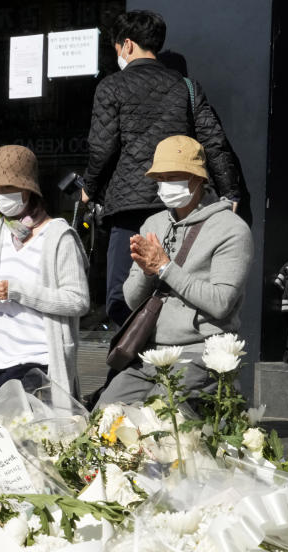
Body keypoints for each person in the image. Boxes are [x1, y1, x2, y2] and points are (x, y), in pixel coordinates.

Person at [80, 10, 242, 328]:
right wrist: (230, 191)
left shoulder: (111, 87)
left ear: (126, 45)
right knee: (172, 288)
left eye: (116, 49)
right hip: (177, 207)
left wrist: (89, 186)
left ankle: (135, 362)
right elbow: (214, 141)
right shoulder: (187, 88)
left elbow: (102, 147)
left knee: (122, 297)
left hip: (128, 208)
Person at [97, 135, 252, 406]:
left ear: (198, 178)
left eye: (174, 176)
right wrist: (147, 273)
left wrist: (165, 267)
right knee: (103, 416)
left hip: (200, 355)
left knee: (157, 423)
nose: (166, 184)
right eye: (161, 177)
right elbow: (133, 301)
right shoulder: (152, 224)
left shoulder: (232, 229)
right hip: (149, 352)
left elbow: (221, 303)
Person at [0, 145, 90, 420]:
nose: (0, 196)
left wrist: (17, 291)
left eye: (7, 188)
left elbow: (78, 301)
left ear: (28, 190)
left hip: (37, 360)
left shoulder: (59, 236)